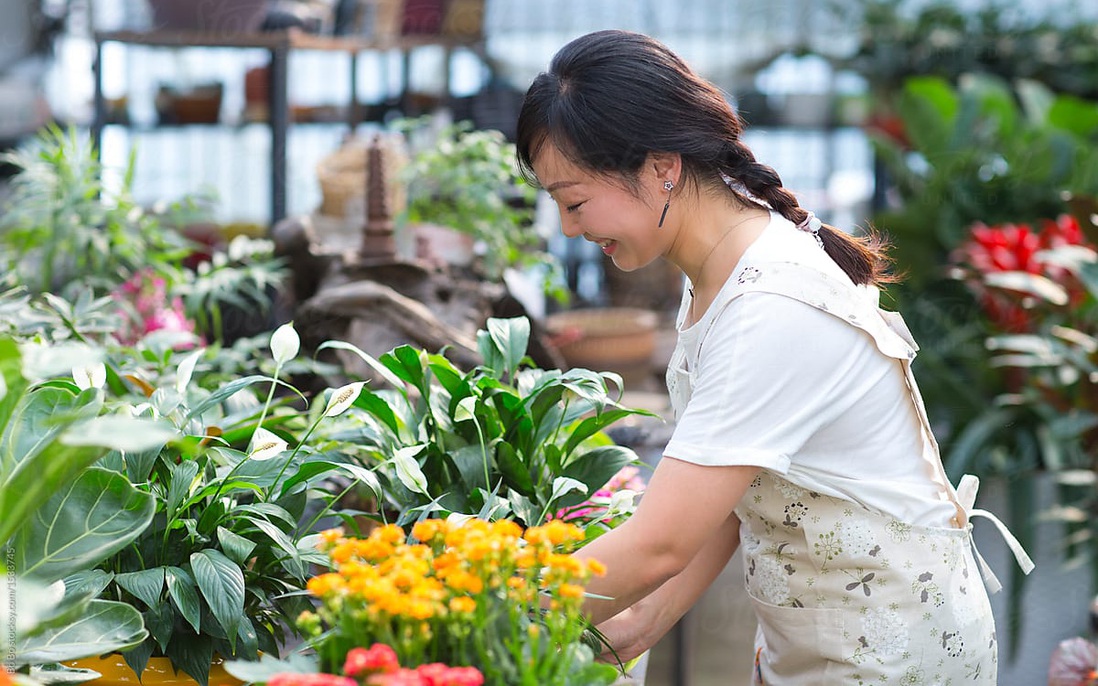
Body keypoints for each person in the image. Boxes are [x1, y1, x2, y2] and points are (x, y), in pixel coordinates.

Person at [515, 29, 1034, 684]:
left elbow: (660, 544)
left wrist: (483, 617)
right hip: (827, 638)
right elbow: (729, 496)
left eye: (575, 202)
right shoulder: (720, 267)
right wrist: (638, 624)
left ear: (661, 166)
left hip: (888, 655)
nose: (569, 229)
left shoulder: (771, 305)